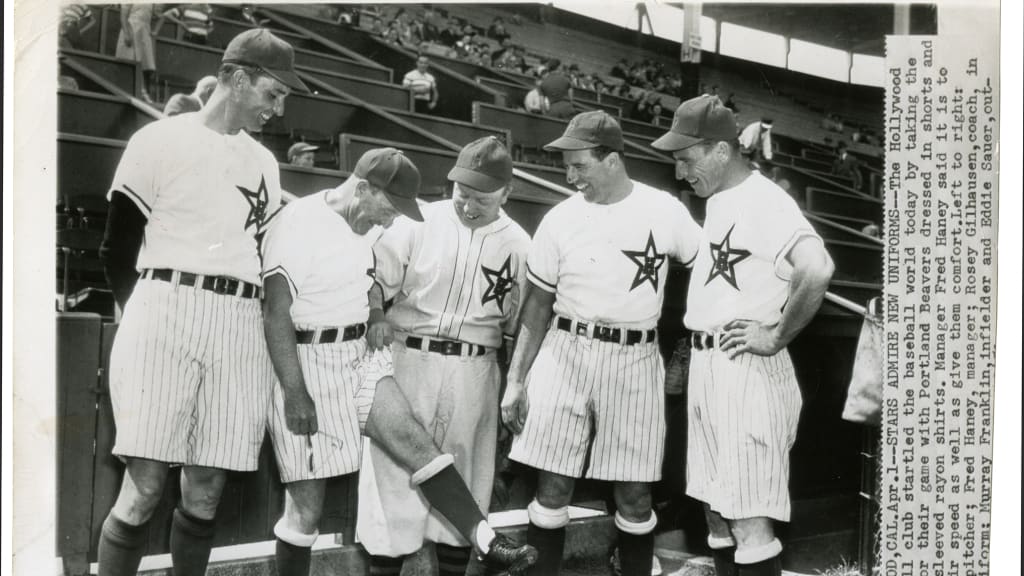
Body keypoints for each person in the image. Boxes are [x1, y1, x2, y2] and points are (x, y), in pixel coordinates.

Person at [262, 147, 538, 576]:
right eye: (389, 207)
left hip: (359, 356)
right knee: (306, 506)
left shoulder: (371, 225)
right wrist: (295, 391)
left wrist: (373, 316)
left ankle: (487, 540)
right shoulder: (300, 221)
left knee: (415, 443)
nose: (392, 219)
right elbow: (275, 311)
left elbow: (372, 283)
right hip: (308, 358)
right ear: (365, 188)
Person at [95, 29, 309, 576]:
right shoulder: (159, 139)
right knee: (144, 486)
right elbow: (117, 245)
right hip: (165, 303)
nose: (278, 108)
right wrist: (137, 316)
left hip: (237, 317)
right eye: (273, 93)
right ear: (237, 78)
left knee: (207, 488)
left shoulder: (264, 161)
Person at [501, 111, 702, 576]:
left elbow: (707, 269)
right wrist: (515, 380)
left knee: (634, 494)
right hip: (567, 347)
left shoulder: (664, 209)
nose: (571, 177)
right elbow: (536, 306)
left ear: (611, 159)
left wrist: (691, 340)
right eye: (567, 167)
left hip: (635, 355)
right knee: (552, 486)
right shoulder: (561, 218)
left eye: (579, 166)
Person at [651, 95, 835, 576]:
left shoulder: (765, 199)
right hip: (712, 365)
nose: (680, 173)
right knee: (715, 509)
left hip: (749, 371)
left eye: (687, 160)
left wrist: (775, 335)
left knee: (749, 518)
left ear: (720, 150)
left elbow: (816, 270)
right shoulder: (721, 201)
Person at [357, 137, 532, 576]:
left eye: (483, 198)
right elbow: (374, 278)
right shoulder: (418, 221)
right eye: (463, 193)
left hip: (476, 367)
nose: (469, 206)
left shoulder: (519, 244)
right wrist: (377, 311)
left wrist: (516, 383)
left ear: (507, 194)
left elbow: (521, 323)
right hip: (408, 356)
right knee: (392, 487)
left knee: (466, 487)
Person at [115, 4, 157, 103]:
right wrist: (126, 33)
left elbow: (155, 15)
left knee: (145, 64)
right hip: (132, 30)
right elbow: (123, 16)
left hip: (144, 32)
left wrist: (154, 30)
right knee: (132, 60)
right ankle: (140, 92)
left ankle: (143, 92)